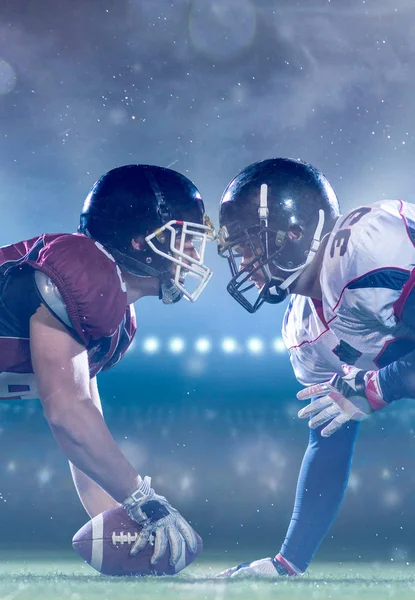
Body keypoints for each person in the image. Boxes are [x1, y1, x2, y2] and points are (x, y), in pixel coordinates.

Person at [0, 164, 215, 568]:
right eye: (182, 239)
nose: (193, 254)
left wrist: (129, 527)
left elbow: (85, 445)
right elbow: (65, 413)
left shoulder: (114, 321)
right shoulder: (84, 270)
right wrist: (146, 503)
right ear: (137, 241)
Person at [216, 157, 415, 578]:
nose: (245, 261)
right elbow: (329, 440)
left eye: (252, 243)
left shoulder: (366, 248)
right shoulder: (302, 327)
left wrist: (375, 387)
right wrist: (288, 562)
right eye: (238, 249)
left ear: (295, 232)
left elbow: (377, 387)